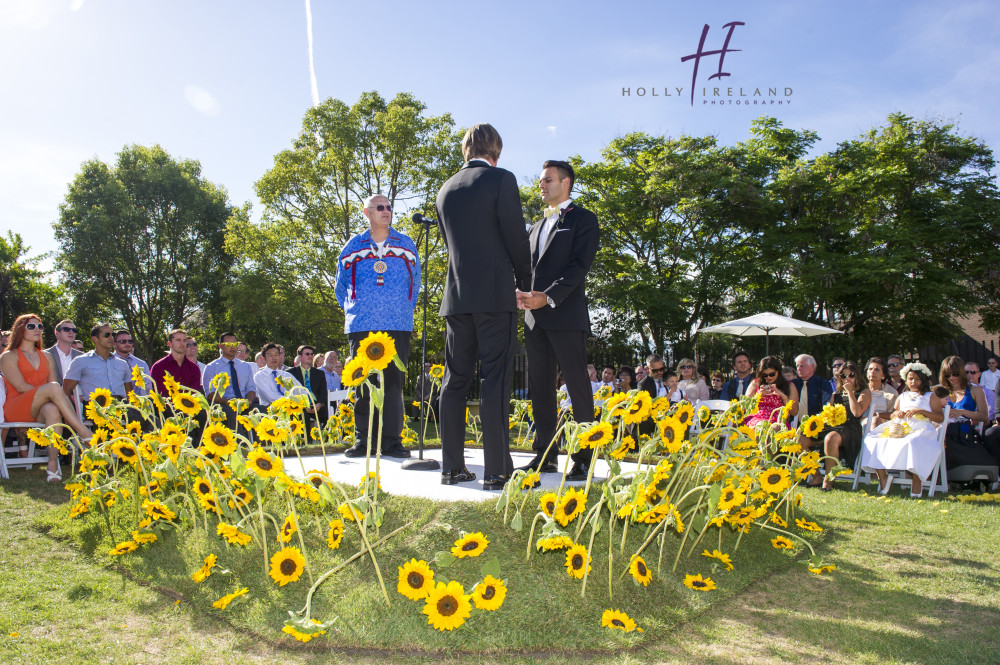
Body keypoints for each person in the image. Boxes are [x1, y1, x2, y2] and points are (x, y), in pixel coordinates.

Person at [435, 123, 531, 489]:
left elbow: (450, 243)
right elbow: (515, 238)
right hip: (493, 296)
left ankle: (452, 468)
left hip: (456, 299)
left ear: (466, 149)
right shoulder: (501, 180)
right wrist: (525, 285)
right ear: (496, 150)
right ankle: (496, 472)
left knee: (454, 381)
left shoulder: (444, 190)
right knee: (495, 380)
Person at [517, 159, 600, 482]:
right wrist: (519, 292)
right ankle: (545, 455)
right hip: (533, 319)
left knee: (578, 387)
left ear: (565, 183)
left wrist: (547, 296)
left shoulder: (584, 219)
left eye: (547, 179)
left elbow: (579, 267)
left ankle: (584, 456)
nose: (541, 184)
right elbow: (526, 268)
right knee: (539, 388)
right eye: (541, 180)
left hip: (565, 315)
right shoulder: (536, 226)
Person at [334, 193, 419, 460]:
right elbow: (340, 285)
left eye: (389, 207)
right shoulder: (352, 246)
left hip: (397, 324)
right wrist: (355, 309)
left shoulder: (405, 244)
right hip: (362, 324)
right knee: (362, 383)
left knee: (394, 383)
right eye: (379, 207)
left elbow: (414, 284)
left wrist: (401, 308)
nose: (386, 211)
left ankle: (392, 441)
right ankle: (364, 440)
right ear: (366, 212)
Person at [1, 314, 94, 481]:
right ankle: (82, 431)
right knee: (53, 388)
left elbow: (53, 386)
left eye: (40, 326)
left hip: (40, 407)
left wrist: (50, 394)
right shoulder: (8, 356)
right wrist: (48, 392)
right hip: (16, 406)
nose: (37, 330)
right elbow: (21, 387)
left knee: (52, 409)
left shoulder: (47, 357)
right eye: (31, 326)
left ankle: (53, 463)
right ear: (20, 330)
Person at [861, 362, 944, 496]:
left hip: (922, 429)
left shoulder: (930, 396)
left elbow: (940, 417)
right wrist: (896, 414)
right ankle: (883, 476)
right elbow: (893, 413)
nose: (913, 382)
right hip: (901, 428)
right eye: (910, 379)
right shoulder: (903, 396)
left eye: (917, 379)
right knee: (872, 439)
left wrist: (922, 412)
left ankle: (916, 482)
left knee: (913, 442)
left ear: (924, 380)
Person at [819, 360, 871, 490]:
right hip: (833, 426)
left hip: (851, 428)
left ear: (857, 376)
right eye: (843, 376)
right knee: (802, 439)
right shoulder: (835, 394)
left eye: (851, 375)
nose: (847, 378)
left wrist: (850, 392)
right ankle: (815, 476)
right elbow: (827, 414)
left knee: (831, 438)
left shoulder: (864, 392)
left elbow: (857, 412)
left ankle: (828, 479)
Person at [63, 323, 134, 406]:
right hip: (96, 410)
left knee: (149, 417)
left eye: (113, 335)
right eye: (106, 335)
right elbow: (65, 391)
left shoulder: (122, 363)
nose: (111, 338)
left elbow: (130, 394)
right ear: (95, 339)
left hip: (122, 408)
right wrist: (71, 414)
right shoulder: (81, 361)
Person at [202, 332, 258, 428]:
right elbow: (210, 393)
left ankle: (262, 442)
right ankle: (241, 443)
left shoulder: (245, 366)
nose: (232, 347)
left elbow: (251, 388)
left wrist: (249, 400)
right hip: (223, 404)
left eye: (235, 344)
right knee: (233, 414)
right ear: (220, 346)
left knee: (261, 411)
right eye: (228, 345)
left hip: (244, 403)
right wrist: (229, 403)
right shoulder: (211, 367)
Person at [939, 356, 989, 446]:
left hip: (963, 435)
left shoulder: (975, 390)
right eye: (947, 375)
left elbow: (985, 417)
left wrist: (962, 412)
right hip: (942, 433)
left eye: (955, 374)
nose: (951, 377)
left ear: (962, 373)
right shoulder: (939, 391)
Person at [744, 356, 799, 428]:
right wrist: (759, 396)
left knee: (773, 428)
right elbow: (744, 407)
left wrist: (782, 396)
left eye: (772, 374)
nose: (768, 377)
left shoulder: (789, 386)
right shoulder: (755, 383)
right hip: (756, 419)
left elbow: (794, 412)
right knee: (761, 427)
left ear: (778, 371)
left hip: (778, 421)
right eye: (765, 375)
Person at [793, 353, 833, 452]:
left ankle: (811, 465)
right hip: (795, 426)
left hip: (816, 428)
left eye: (802, 366)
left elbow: (827, 406)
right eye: (797, 366)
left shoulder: (822, 383)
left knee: (799, 441)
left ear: (812, 367)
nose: (799, 368)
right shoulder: (793, 384)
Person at [288, 345, 329, 434]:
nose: (310, 356)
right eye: (307, 354)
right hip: (300, 405)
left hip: (316, 405)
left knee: (329, 413)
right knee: (302, 415)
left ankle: (325, 440)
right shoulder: (290, 373)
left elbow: (323, 392)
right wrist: (302, 405)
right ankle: (307, 443)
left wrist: (319, 404)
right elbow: (290, 392)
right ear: (299, 357)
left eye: (312, 354)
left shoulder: (319, 373)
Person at [150, 329, 203, 396]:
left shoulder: (194, 368)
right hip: (167, 405)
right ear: (169, 344)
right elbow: (160, 395)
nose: (182, 343)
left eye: (184, 340)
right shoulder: (159, 367)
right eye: (178, 340)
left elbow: (195, 395)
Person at [44, 319, 82, 385]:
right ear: (57, 333)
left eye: (74, 330)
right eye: (66, 329)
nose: (71, 332)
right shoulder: (45, 355)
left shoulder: (82, 357)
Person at [113, 329, 150, 396]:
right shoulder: (108, 362)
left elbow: (148, 387)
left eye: (130, 341)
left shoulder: (141, 364)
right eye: (123, 341)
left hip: (138, 404)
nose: (127, 344)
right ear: (114, 344)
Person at [865, 357, 898, 428]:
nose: (872, 372)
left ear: (883, 376)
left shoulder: (891, 392)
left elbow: (894, 413)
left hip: (884, 424)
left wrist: (877, 415)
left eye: (876, 370)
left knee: (875, 421)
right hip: (863, 422)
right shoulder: (861, 389)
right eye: (870, 369)